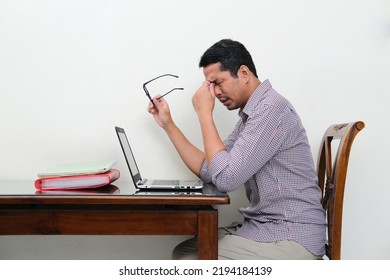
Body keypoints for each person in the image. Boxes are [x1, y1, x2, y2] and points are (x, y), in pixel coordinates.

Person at [147, 39, 326, 260]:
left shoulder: (271, 110)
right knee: (184, 251)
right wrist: (168, 125)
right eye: (210, 86)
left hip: (290, 236)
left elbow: (226, 179)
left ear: (243, 73)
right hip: (265, 228)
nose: (214, 92)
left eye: (218, 82)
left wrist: (205, 114)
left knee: (190, 260)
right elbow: (211, 170)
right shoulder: (250, 116)